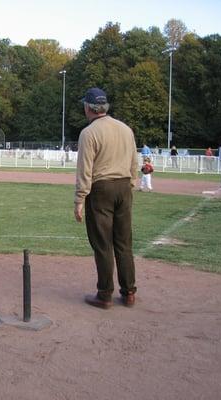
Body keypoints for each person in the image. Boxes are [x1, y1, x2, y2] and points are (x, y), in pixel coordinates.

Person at [74, 87, 138, 309]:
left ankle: (105, 294)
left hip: (101, 189)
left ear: (88, 108)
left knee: (103, 243)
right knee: (124, 242)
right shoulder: (125, 129)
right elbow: (133, 162)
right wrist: (131, 184)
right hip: (123, 186)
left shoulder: (89, 133)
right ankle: (129, 292)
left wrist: (79, 200)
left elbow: (85, 170)